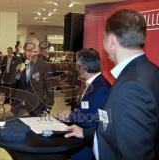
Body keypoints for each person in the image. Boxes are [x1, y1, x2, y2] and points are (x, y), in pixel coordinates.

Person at [65, 9, 159, 160]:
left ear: (112, 41)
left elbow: (134, 154)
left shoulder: (132, 86)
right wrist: (85, 133)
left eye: (104, 37)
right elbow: (115, 126)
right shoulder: (149, 71)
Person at [59, 48, 111, 160]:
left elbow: (97, 121)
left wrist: (71, 115)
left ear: (82, 68)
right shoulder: (95, 83)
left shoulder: (101, 88)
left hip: (87, 147)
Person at [12, 38, 54, 116]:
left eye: (35, 51)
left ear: (39, 51)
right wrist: (18, 73)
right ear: (24, 50)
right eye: (29, 51)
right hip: (19, 107)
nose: (32, 54)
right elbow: (13, 85)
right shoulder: (19, 63)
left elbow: (50, 91)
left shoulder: (45, 66)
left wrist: (47, 109)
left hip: (37, 108)